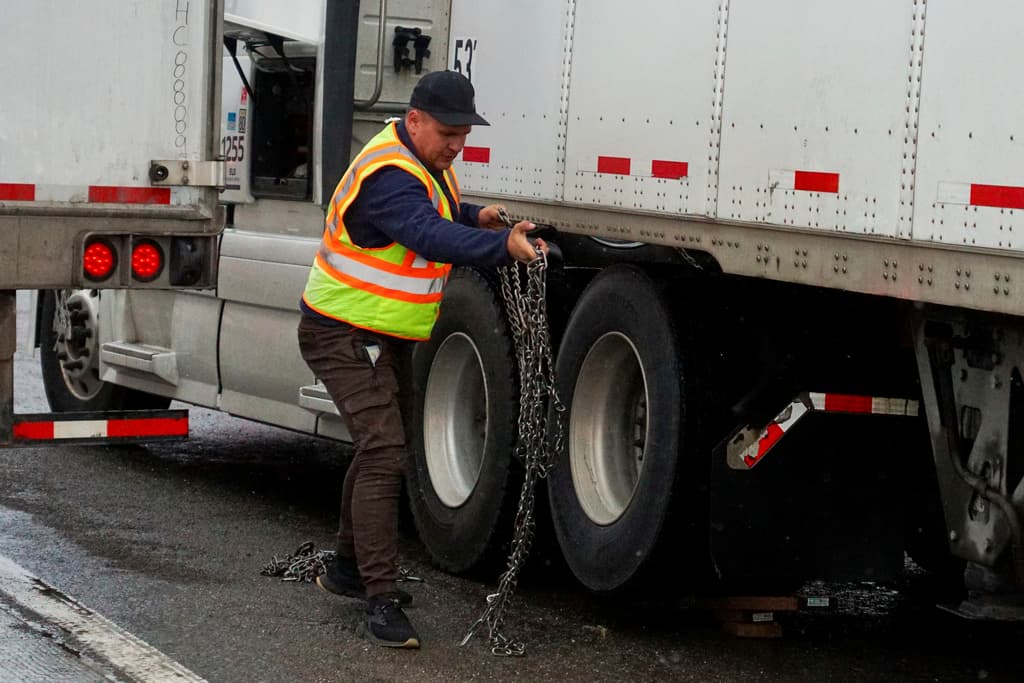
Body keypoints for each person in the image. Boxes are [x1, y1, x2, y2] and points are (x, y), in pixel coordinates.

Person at [297, 70, 545, 649]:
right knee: (384, 450)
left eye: (464, 133)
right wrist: (499, 247)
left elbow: (439, 212)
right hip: (338, 332)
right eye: (448, 131)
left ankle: (344, 570)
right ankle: (379, 600)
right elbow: (424, 233)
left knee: (385, 444)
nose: (457, 143)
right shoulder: (389, 173)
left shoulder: (424, 164)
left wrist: (475, 214)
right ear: (414, 120)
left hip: (383, 334)